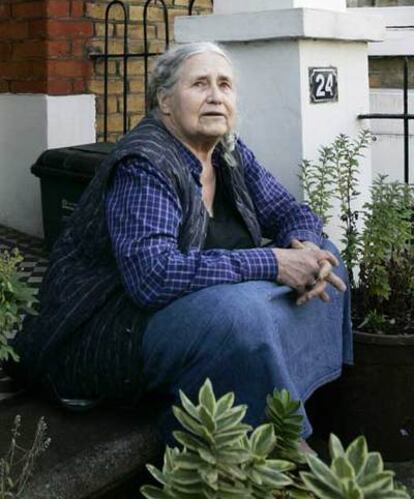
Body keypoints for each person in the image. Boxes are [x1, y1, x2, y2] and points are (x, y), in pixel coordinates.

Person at [10, 42, 352, 447]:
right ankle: (273, 447)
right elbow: (153, 276)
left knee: (328, 254)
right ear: (165, 101)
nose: (215, 96)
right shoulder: (146, 163)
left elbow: (290, 212)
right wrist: (273, 262)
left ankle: (297, 403)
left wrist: (305, 246)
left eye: (225, 85)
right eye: (200, 84)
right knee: (239, 318)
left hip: (185, 309)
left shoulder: (228, 151)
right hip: (109, 327)